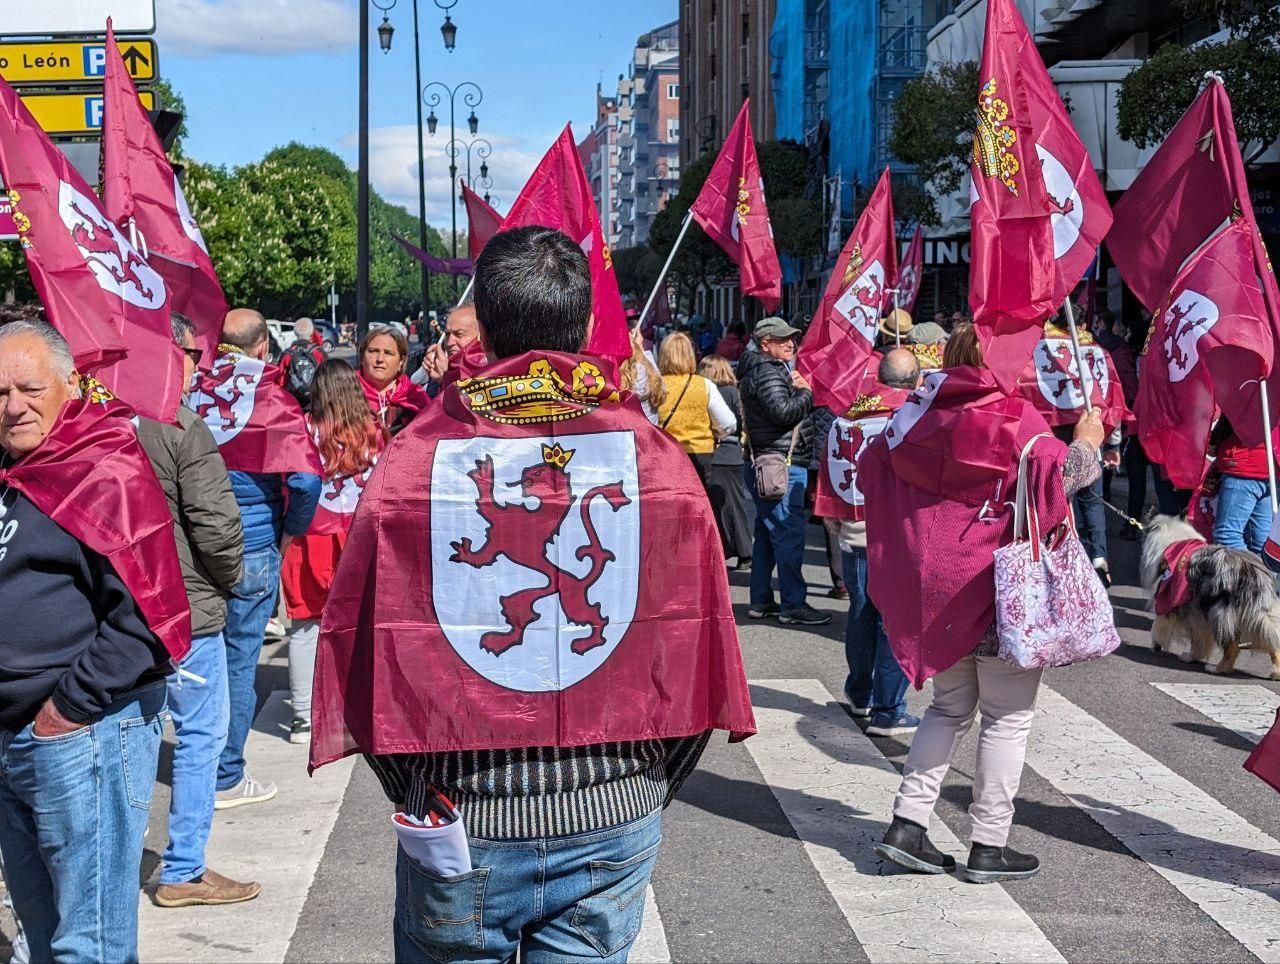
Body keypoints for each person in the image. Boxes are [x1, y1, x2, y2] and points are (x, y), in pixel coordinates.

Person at [309, 225, 755, 963]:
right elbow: (695, 638)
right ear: (584, 325)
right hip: (613, 811)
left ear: (480, 322)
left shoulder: (419, 453)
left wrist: (419, 785)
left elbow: (369, 641)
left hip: (462, 813)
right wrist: (642, 789)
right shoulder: (654, 457)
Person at [862, 323, 1105, 883]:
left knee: (947, 709)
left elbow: (873, 469)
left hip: (938, 585)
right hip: (1000, 588)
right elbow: (1065, 477)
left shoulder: (916, 414)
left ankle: (908, 824)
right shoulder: (1015, 418)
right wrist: (1088, 441)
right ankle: (988, 843)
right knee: (1007, 717)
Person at [0, 319, 189, 961]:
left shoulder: (103, 470)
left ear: (69, 387)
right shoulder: (13, 471)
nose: (12, 405)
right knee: (44, 934)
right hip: (13, 737)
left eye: (29, 388)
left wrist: (68, 709)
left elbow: (146, 618)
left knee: (90, 946)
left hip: (79, 734)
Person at [137, 314, 259, 908]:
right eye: (192, 351)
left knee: (134, 739)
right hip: (186, 613)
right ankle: (183, 868)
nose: (200, 364)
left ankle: (119, 859)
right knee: (199, 736)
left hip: (121, 613)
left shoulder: (101, 424)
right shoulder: (182, 428)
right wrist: (232, 580)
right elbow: (216, 526)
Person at [211, 308, 322, 809]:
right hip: (252, 545)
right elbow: (305, 478)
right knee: (238, 660)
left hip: (193, 543)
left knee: (191, 658)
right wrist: (291, 529)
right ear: (263, 348)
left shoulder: (193, 389)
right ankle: (226, 772)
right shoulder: (271, 399)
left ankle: (200, 760)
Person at [280, 361, 388, 745]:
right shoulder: (372, 430)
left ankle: (302, 717)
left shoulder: (302, 428)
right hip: (358, 537)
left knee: (305, 627)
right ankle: (358, 707)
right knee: (359, 627)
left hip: (309, 537)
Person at [841, 349, 922, 738]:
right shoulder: (912, 415)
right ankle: (889, 709)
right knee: (895, 620)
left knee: (861, 614)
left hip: (853, 528)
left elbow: (831, 475)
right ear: (915, 380)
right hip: (894, 533)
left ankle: (860, 693)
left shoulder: (848, 413)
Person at [739, 316, 829, 626]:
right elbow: (783, 412)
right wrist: (806, 392)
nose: (790, 343)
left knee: (767, 535)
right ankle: (793, 604)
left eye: (792, 338)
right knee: (789, 536)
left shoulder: (766, 369)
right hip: (780, 464)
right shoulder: (768, 371)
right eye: (782, 339)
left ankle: (761, 600)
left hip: (773, 461)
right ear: (765, 344)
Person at [656, 332, 737, 482]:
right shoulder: (704, 385)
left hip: (666, 454)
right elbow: (728, 423)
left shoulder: (656, 386)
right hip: (700, 454)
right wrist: (716, 434)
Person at [699, 354, 754, 569]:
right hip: (732, 454)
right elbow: (741, 422)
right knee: (737, 505)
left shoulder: (704, 391)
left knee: (715, 507)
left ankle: (724, 547)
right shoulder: (732, 392)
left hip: (712, 453)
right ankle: (744, 551)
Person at [1209, 417, 1274, 553]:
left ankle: (1252, 572)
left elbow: (1233, 415)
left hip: (1244, 464)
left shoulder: (1246, 395)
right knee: (1261, 543)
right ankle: (1264, 572)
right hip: (1267, 467)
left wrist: (1213, 440)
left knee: (1226, 536)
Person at [808, 404, 848, 600]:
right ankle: (852, 579)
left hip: (823, 459)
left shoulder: (818, 395)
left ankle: (841, 582)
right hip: (849, 456)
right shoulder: (859, 390)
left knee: (831, 519)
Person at [358, 324, 429, 432]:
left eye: (388, 353)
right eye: (373, 351)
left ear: (401, 361)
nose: (380, 359)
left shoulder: (414, 395)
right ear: (362, 356)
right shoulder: (346, 392)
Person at [413, 303, 480, 391]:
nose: (449, 343)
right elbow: (413, 382)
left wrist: (446, 379)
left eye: (459, 334)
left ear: (481, 336)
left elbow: (471, 402)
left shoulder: (490, 373)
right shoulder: (435, 378)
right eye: (447, 334)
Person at [621, 324, 666, 424]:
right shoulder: (651, 376)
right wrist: (640, 347)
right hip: (650, 433)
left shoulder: (620, 380)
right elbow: (659, 381)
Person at [279, 318, 327, 411]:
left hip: (293, 405)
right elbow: (328, 378)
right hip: (316, 404)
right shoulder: (319, 352)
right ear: (312, 332)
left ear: (295, 333)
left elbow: (280, 382)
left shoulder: (287, 354)